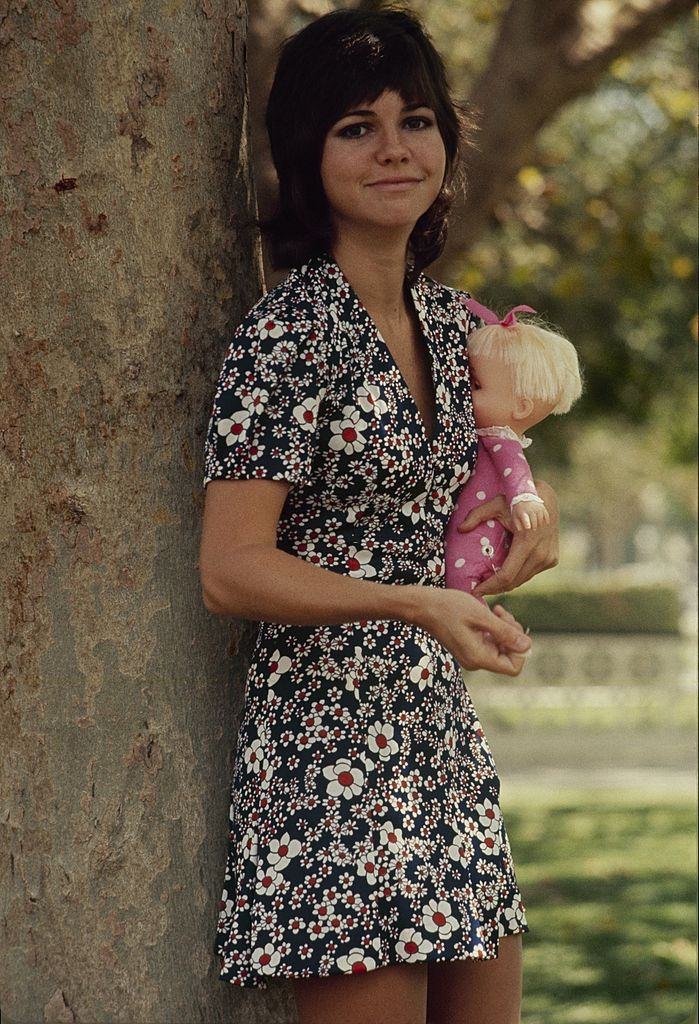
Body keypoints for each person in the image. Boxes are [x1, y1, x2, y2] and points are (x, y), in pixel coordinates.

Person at [198, 8, 559, 1024]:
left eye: (417, 120)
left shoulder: (455, 327)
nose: (396, 148)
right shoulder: (287, 334)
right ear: (308, 156)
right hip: (327, 761)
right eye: (357, 126)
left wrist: (536, 510)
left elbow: (502, 455)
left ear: (448, 139)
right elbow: (230, 568)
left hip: (441, 743)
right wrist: (418, 605)